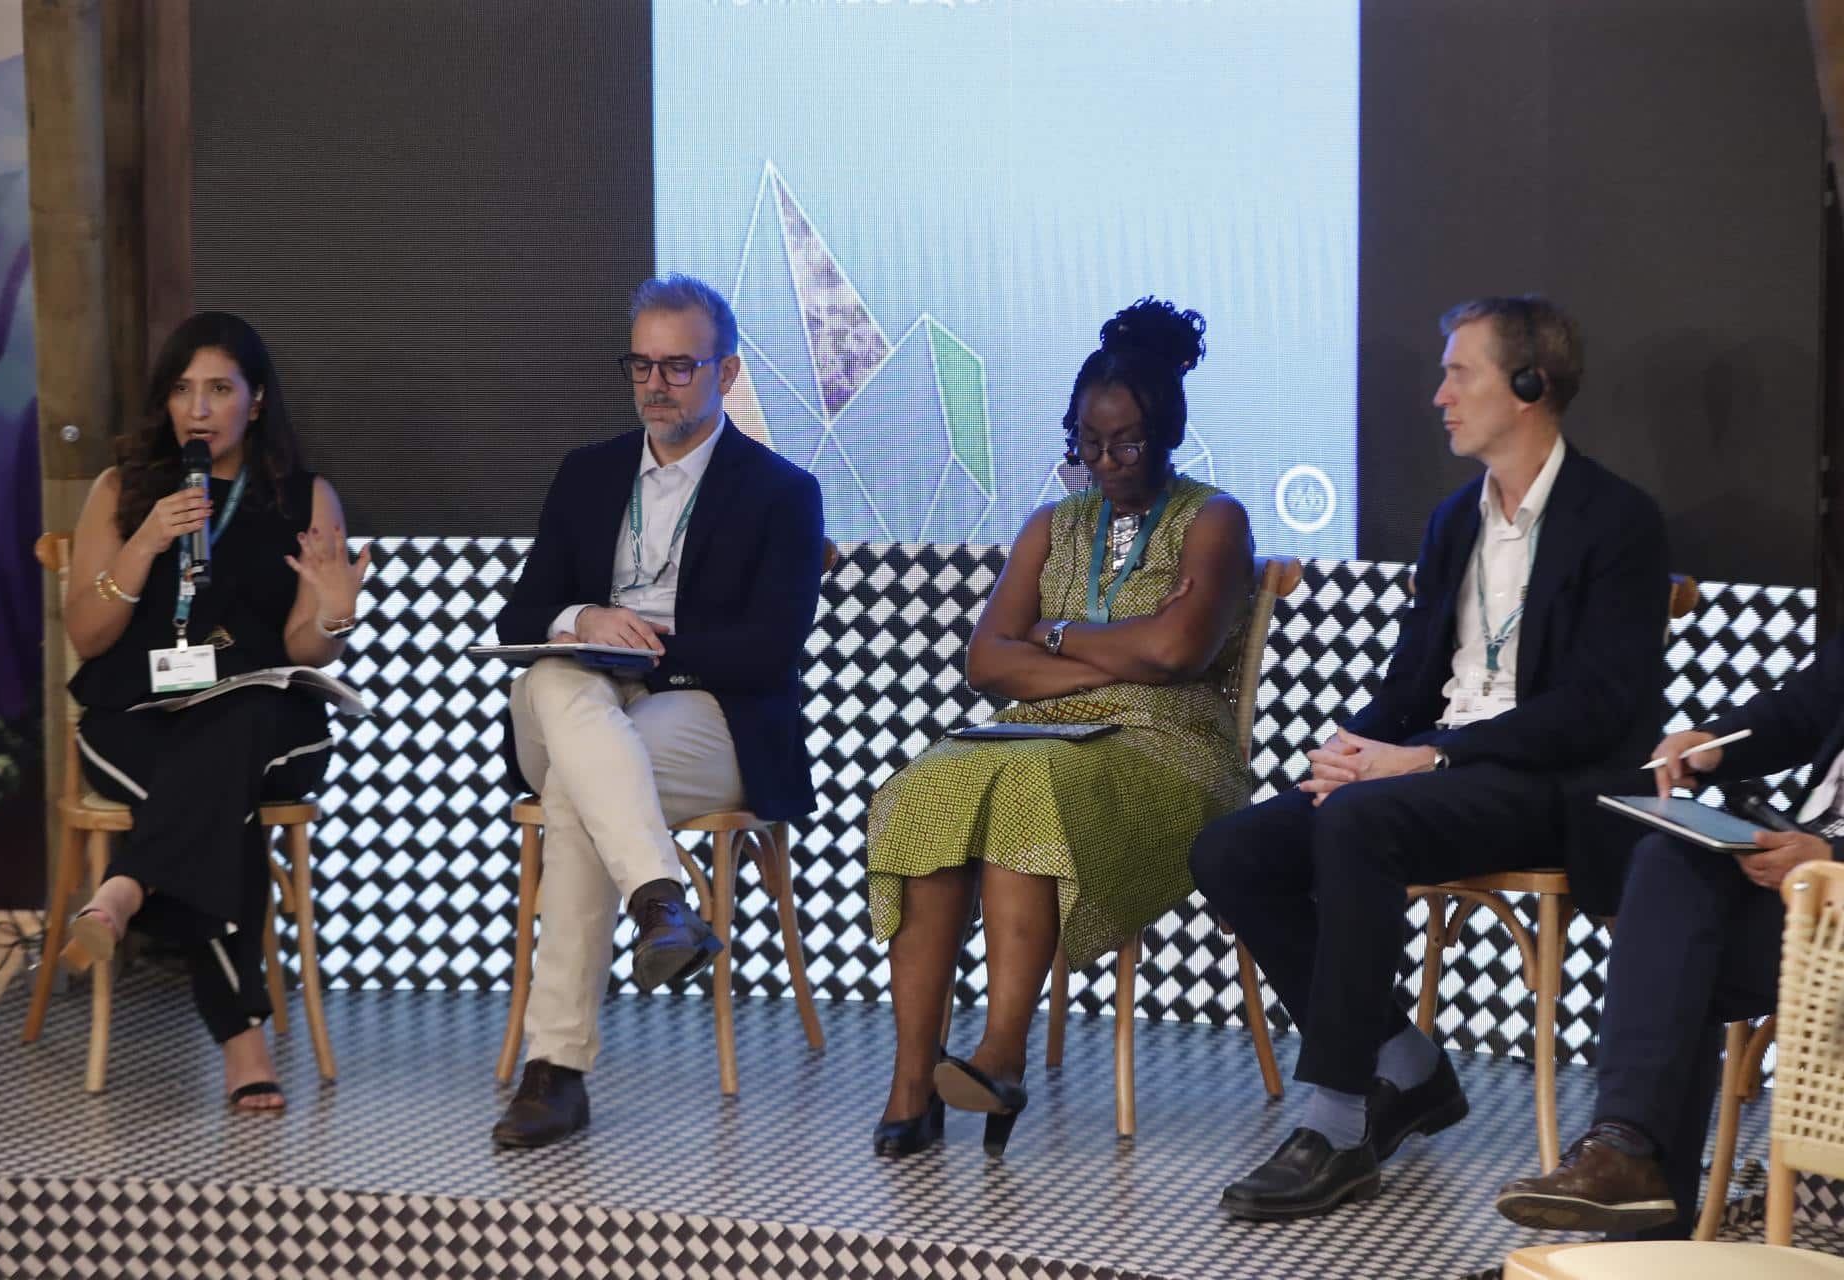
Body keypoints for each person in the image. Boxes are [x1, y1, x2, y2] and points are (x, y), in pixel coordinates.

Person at [1189, 296, 1671, 1220]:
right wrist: (1353, 748)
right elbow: (1413, 685)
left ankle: (1335, 1123)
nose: (1439, 395)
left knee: (1367, 819)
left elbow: (1599, 712)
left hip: (1550, 787)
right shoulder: (1456, 520)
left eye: (1461, 373)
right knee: (1234, 849)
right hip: (1441, 771)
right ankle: (1405, 1065)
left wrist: (1431, 760)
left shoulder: (1621, 522)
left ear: (1529, 386)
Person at [866, 298, 1256, 1160]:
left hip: (1172, 749)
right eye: (1088, 441)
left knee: (1032, 788)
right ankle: (911, 1081)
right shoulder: (1051, 524)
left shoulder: (1215, 518)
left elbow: (1178, 654)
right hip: (1033, 736)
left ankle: (1002, 1055)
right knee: (922, 788)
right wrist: (1117, 654)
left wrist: (1055, 639)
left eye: (1128, 443)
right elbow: (985, 662)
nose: (1107, 461)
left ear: (1167, 435)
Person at [489, 274, 825, 1148]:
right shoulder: (589, 472)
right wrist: (585, 621)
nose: (656, 384)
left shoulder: (782, 491)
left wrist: (654, 647)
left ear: (728, 372)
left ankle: (555, 1070)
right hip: (580, 700)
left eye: (679, 366)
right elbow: (521, 621)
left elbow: (768, 652)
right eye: (641, 364)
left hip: (707, 711)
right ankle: (662, 900)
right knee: (559, 679)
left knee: (577, 791)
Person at [63, 311, 371, 1112]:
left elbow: (305, 649)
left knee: (234, 725)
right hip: (137, 715)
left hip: (266, 719)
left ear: (256, 400)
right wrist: (145, 544)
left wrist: (335, 612)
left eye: (220, 390)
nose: (199, 410)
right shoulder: (121, 488)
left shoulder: (304, 496)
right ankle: (242, 1042)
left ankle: (127, 887)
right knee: (213, 798)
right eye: (183, 390)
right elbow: (90, 637)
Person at [1495, 629, 1844, 1235]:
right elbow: (1802, 707)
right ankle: (1623, 1149)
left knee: (1683, 965)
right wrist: (1713, 745)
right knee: (1668, 866)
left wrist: (1833, 856)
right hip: (1811, 896)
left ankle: (1636, 1210)